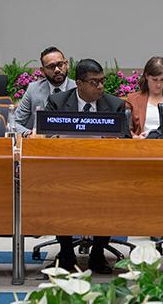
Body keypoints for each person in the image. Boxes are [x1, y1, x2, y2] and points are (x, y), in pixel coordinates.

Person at [45, 59, 125, 274]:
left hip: (103, 170)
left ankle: (98, 253)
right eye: (93, 82)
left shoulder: (115, 104)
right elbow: (46, 138)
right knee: (57, 192)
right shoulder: (58, 102)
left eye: (102, 81)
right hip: (66, 170)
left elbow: (126, 141)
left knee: (110, 194)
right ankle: (66, 253)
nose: (100, 86)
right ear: (79, 83)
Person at [14, 46, 76, 136]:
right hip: (39, 143)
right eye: (51, 66)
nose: (57, 70)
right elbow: (14, 123)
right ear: (43, 71)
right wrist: (28, 134)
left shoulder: (77, 89)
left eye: (60, 64)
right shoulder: (33, 89)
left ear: (66, 64)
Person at [126, 56, 163, 138]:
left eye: (162, 80)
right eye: (154, 80)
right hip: (141, 146)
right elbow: (126, 129)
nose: (158, 85)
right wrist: (135, 137)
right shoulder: (133, 100)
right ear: (146, 76)